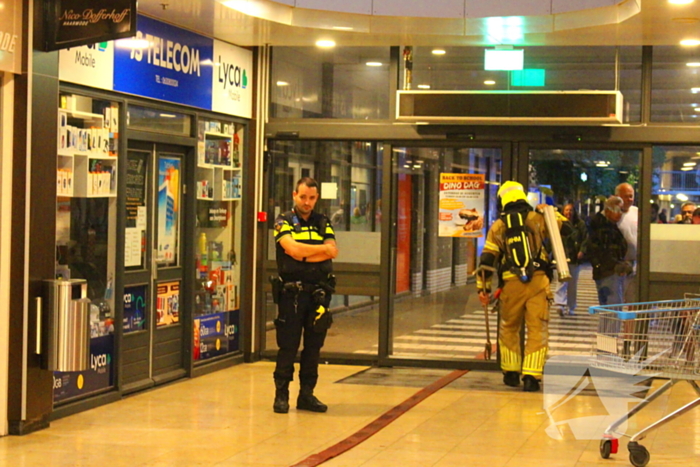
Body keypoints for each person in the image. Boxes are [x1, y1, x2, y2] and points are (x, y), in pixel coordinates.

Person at [476, 181, 559, 392]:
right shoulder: (537, 219)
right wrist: (550, 211)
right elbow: (566, 228)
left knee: (509, 327)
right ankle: (531, 375)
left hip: (511, 284)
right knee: (537, 329)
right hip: (539, 282)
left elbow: (486, 260)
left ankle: (511, 372)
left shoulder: (498, 226)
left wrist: (483, 290)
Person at [271, 177, 338, 414]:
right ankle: (281, 395)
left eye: (311, 198)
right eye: (303, 197)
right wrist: (317, 251)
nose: (307, 202)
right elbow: (292, 248)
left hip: (318, 295)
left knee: (313, 348)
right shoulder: (283, 221)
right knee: (288, 347)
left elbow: (333, 251)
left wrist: (304, 254)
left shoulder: (323, 222)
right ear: (294, 195)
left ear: (316, 198)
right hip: (293, 295)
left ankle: (306, 395)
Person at [582, 196, 628, 306]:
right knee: (613, 308)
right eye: (618, 210)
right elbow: (604, 249)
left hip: (604, 271)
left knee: (607, 309)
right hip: (609, 271)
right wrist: (616, 265)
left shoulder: (603, 225)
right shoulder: (605, 228)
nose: (621, 213)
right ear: (608, 211)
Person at [554, 203, 588, 316]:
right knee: (562, 281)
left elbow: (585, 238)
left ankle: (571, 306)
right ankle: (560, 304)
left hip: (574, 257)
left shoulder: (580, 224)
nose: (569, 213)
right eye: (566, 210)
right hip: (562, 256)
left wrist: (582, 251)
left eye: (571, 210)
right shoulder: (559, 224)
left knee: (572, 284)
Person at [615, 183, 638, 303]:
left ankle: (629, 322)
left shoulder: (637, 212)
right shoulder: (612, 215)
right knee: (617, 300)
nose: (629, 199)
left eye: (631, 196)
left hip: (635, 264)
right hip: (619, 264)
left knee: (632, 300)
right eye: (626, 196)